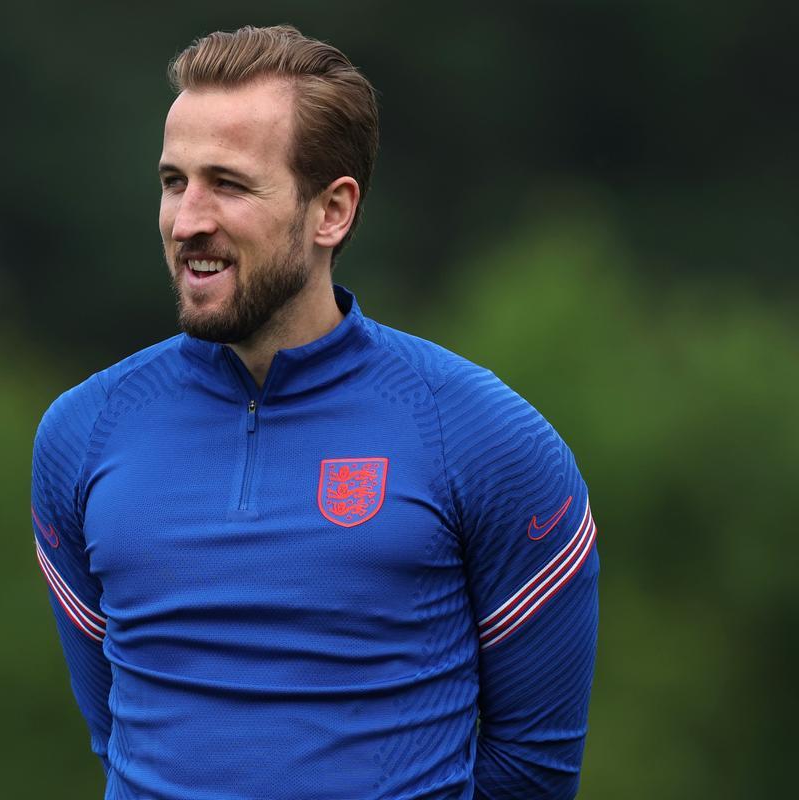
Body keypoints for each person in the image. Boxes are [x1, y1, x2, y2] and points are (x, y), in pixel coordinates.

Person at [31, 24, 598, 800]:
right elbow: (117, 730)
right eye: (173, 181)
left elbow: (533, 770)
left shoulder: (483, 438)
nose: (187, 219)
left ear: (331, 211)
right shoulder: (81, 433)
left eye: (228, 184)